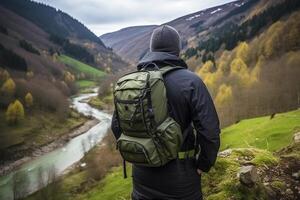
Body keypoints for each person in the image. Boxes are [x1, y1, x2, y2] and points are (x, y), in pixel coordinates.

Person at [111, 25, 220, 200]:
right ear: (177, 50)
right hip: (181, 178)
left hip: (141, 176)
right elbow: (210, 130)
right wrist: (204, 164)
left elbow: (116, 126)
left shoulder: (134, 82)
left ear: (152, 49)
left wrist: (140, 151)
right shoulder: (191, 81)